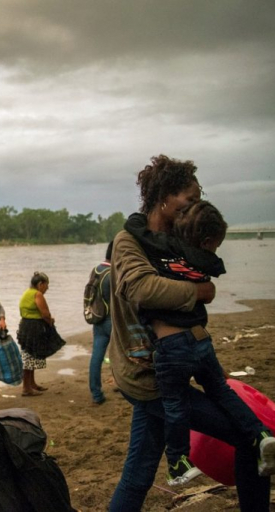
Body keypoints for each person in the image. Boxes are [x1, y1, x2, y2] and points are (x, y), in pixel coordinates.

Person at [108, 154, 272, 511]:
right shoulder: (128, 242)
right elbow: (142, 289)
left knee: (137, 473)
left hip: (172, 368)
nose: (196, 206)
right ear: (164, 197)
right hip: (149, 375)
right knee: (249, 437)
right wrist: (201, 292)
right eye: (191, 199)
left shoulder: (178, 243)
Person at [17, 272, 65, 397]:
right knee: (29, 358)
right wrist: (50, 321)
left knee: (30, 356)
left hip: (25, 326)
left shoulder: (27, 293)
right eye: (46, 285)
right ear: (40, 284)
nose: (47, 288)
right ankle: (26, 388)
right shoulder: (37, 294)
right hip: (33, 327)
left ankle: (32, 384)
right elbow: (45, 313)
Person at [88, 241, 113, 405]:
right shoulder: (114, 273)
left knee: (97, 357)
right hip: (113, 320)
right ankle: (122, 384)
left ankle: (96, 393)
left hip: (98, 318)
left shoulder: (96, 269)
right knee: (122, 355)